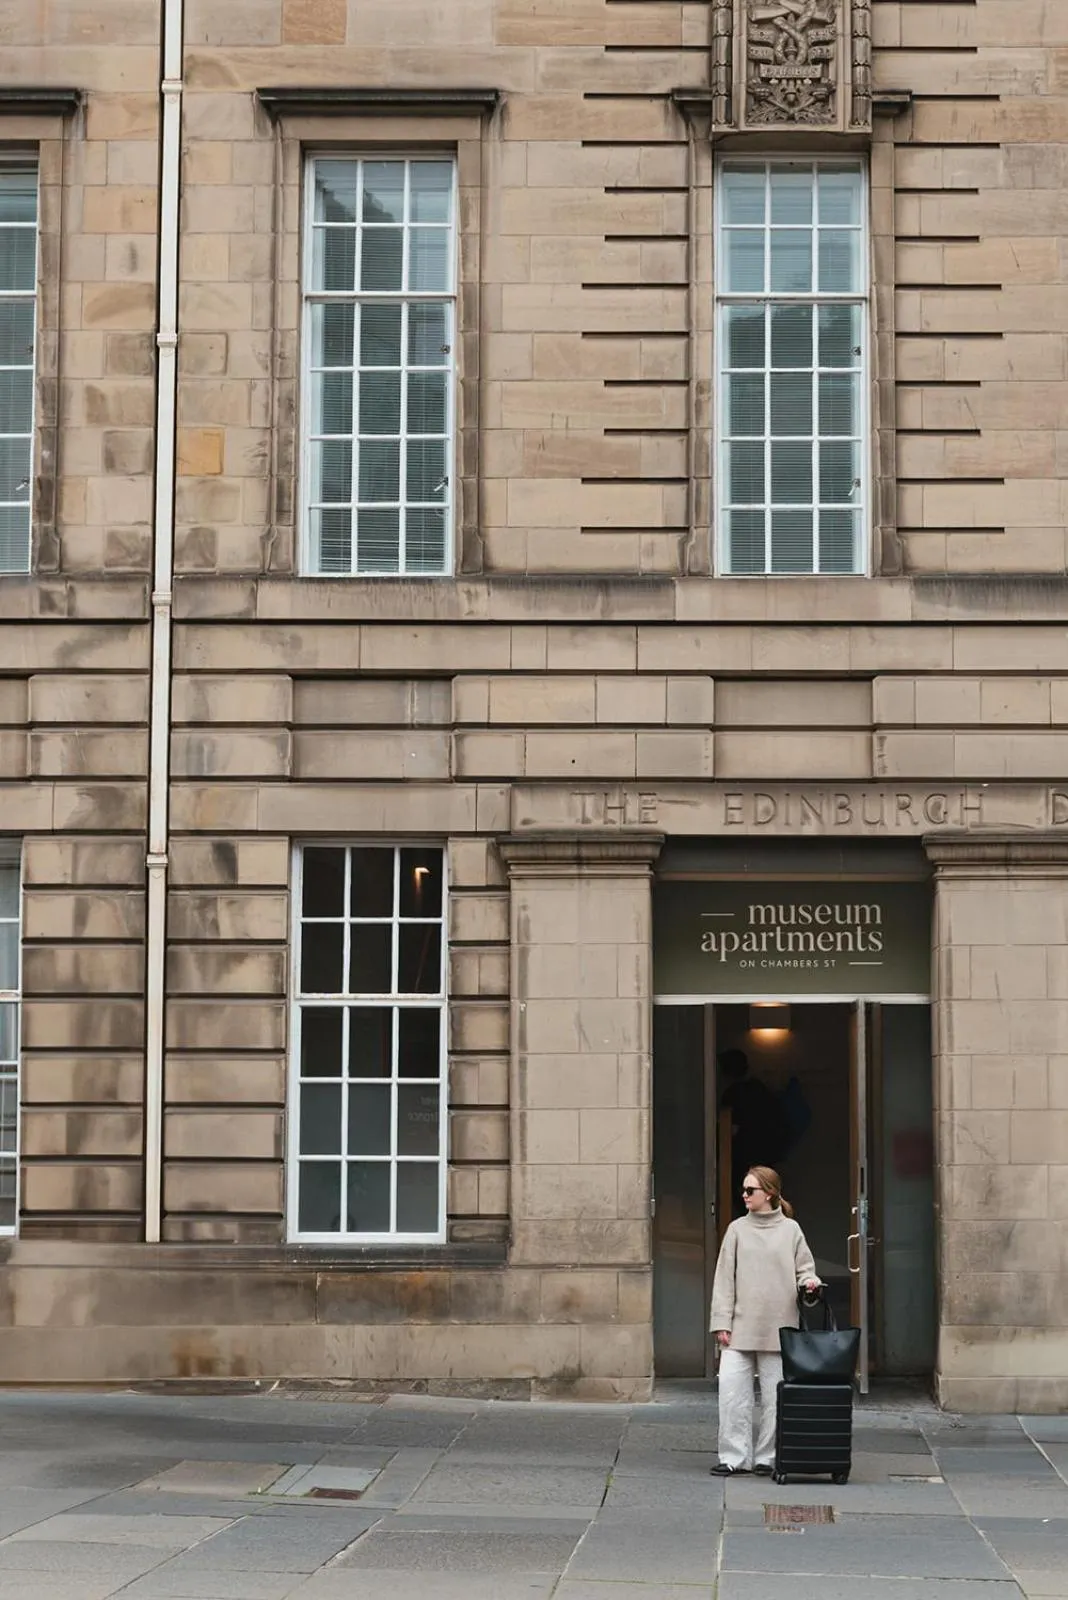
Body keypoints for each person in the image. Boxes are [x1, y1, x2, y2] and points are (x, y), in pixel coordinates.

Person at [708, 1165, 821, 1476]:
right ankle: (734, 1457)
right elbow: (723, 1279)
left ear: (769, 1193)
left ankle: (767, 1457)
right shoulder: (736, 1230)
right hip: (739, 1327)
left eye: (750, 1190)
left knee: (775, 1399)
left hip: (779, 1327)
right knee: (732, 1396)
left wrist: (810, 1282)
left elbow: (805, 1269)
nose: (744, 1195)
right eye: (743, 1190)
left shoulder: (791, 1230)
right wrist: (721, 1322)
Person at [718, 1050, 789, 1215]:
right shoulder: (761, 1089)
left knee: (743, 1198)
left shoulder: (732, 1094)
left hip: (743, 1157)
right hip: (767, 1154)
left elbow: (730, 1130)